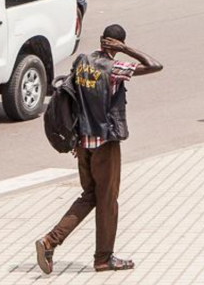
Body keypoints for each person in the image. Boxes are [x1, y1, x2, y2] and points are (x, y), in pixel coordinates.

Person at [35, 24, 162, 275]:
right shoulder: (113, 68)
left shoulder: (82, 62)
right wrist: (126, 49)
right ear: (116, 44)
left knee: (90, 196)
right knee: (107, 200)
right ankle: (103, 258)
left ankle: (50, 241)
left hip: (82, 145)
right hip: (104, 143)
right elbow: (155, 65)